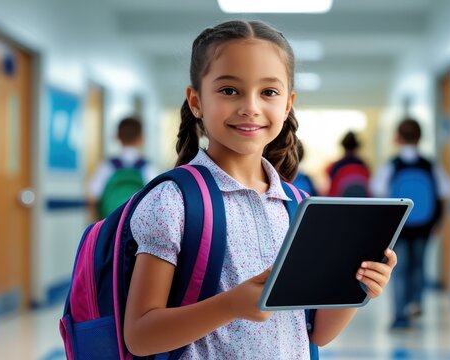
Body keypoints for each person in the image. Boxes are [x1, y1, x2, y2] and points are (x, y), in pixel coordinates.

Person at [123, 20, 397, 359]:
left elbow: (319, 333)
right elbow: (140, 335)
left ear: (287, 104)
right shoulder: (174, 201)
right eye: (229, 90)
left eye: (268, 92)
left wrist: (357, 286)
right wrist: (230, 305)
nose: (250, 106)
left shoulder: (295, 205)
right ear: (196, 101)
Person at [369, 117, 450, 330]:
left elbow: (378, 191)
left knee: (400, 269)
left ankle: (399, 315)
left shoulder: (392, 165)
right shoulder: (429, 165)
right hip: (425, 225)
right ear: (420, 137)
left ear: (397, 137)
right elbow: (444, 193)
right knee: (420, 266)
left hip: (400, 227)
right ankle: (416, 303)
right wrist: (438, 222)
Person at [87, 116, 156, 220]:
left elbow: (93, 196)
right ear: (141, 138)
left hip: (110, 227)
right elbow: (155, 199)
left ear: (117, 137)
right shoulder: (147, 168)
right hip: (136, 228)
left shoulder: (107, 166)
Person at [326, 131, 370, 197]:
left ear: (343, 146)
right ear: (356, 147)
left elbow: (331, 193)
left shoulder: (336, 167)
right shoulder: (364, 167)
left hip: (340, 204)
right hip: (361, 204)